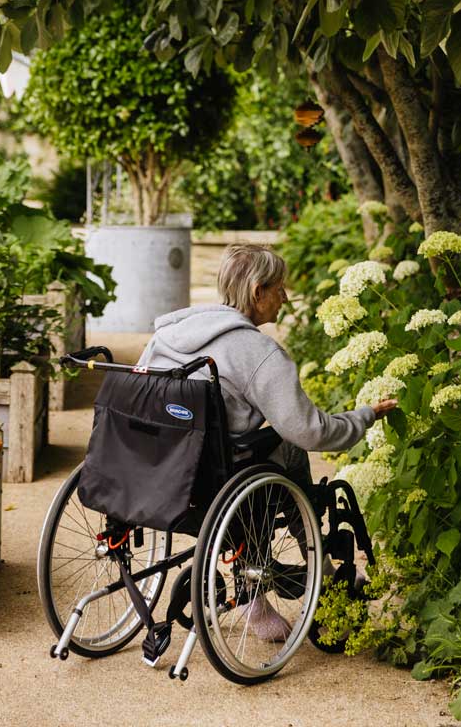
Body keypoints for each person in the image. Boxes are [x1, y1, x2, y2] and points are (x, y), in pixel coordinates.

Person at [138, 242, 397, 641]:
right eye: (279, 288)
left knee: (261, 451)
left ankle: (294, 574)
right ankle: (304, 576)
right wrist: (364, 416)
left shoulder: (170, 334)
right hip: (214, 481)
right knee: (288, 447)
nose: (285, 298)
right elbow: (311, 431)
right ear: (258, 292)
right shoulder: (258, 352)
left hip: (156, 472)